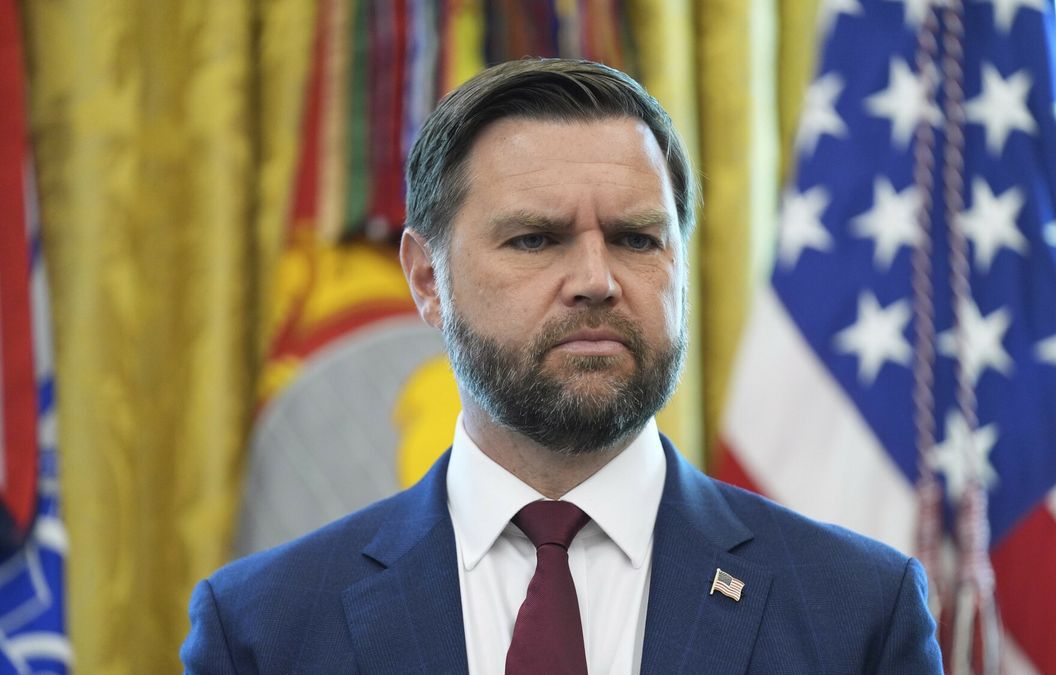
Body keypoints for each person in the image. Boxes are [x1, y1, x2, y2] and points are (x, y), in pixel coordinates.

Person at [181, 58, 942, 674]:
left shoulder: (858, 611)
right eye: (536, 239)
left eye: (637, 238)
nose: (596, 278)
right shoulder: (262, 628)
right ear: (425, 279)